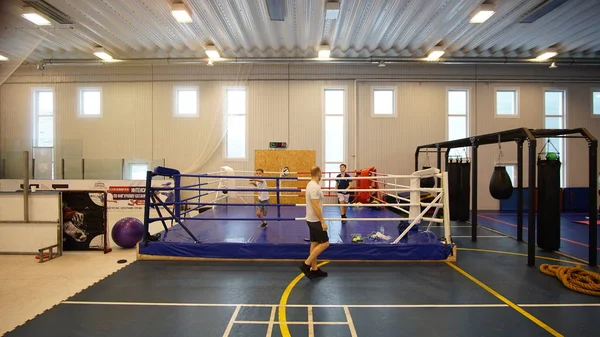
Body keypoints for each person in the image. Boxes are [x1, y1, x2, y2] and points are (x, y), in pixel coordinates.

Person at [299, 166, 330, 279]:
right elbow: (315, 206)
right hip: (315, 220)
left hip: (311, 219)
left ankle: (315, 269)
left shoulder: (311, 184)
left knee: (314, 243)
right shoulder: (314, 187)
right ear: (319, 174)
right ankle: (306, 264)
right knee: (325, 243)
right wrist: (322, 221)